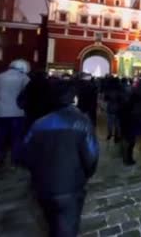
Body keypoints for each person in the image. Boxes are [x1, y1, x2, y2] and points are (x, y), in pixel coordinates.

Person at [21, 80, 99, 237]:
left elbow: (25, 155)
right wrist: (85, 176)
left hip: (42, 185)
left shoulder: (38, 124)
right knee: (67, 227)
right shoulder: (82, 122)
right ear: (74, 99)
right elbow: (91, 157)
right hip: (71, 185)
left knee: (52, 222)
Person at [0, 59, 31, 167]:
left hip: (0, 111)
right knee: (17, 137)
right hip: (18, 112)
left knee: (0, 135)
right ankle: (15, 159)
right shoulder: (24, 78)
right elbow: (30, 93)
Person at [104, 77, 123, 142]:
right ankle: (117, 136)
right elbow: (122, 99)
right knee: (117, 123)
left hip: (110, 107)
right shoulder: (120, 89)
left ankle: (109, 134)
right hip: (118, 108)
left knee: (110, 122)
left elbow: (105, 99)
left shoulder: (108, 89)